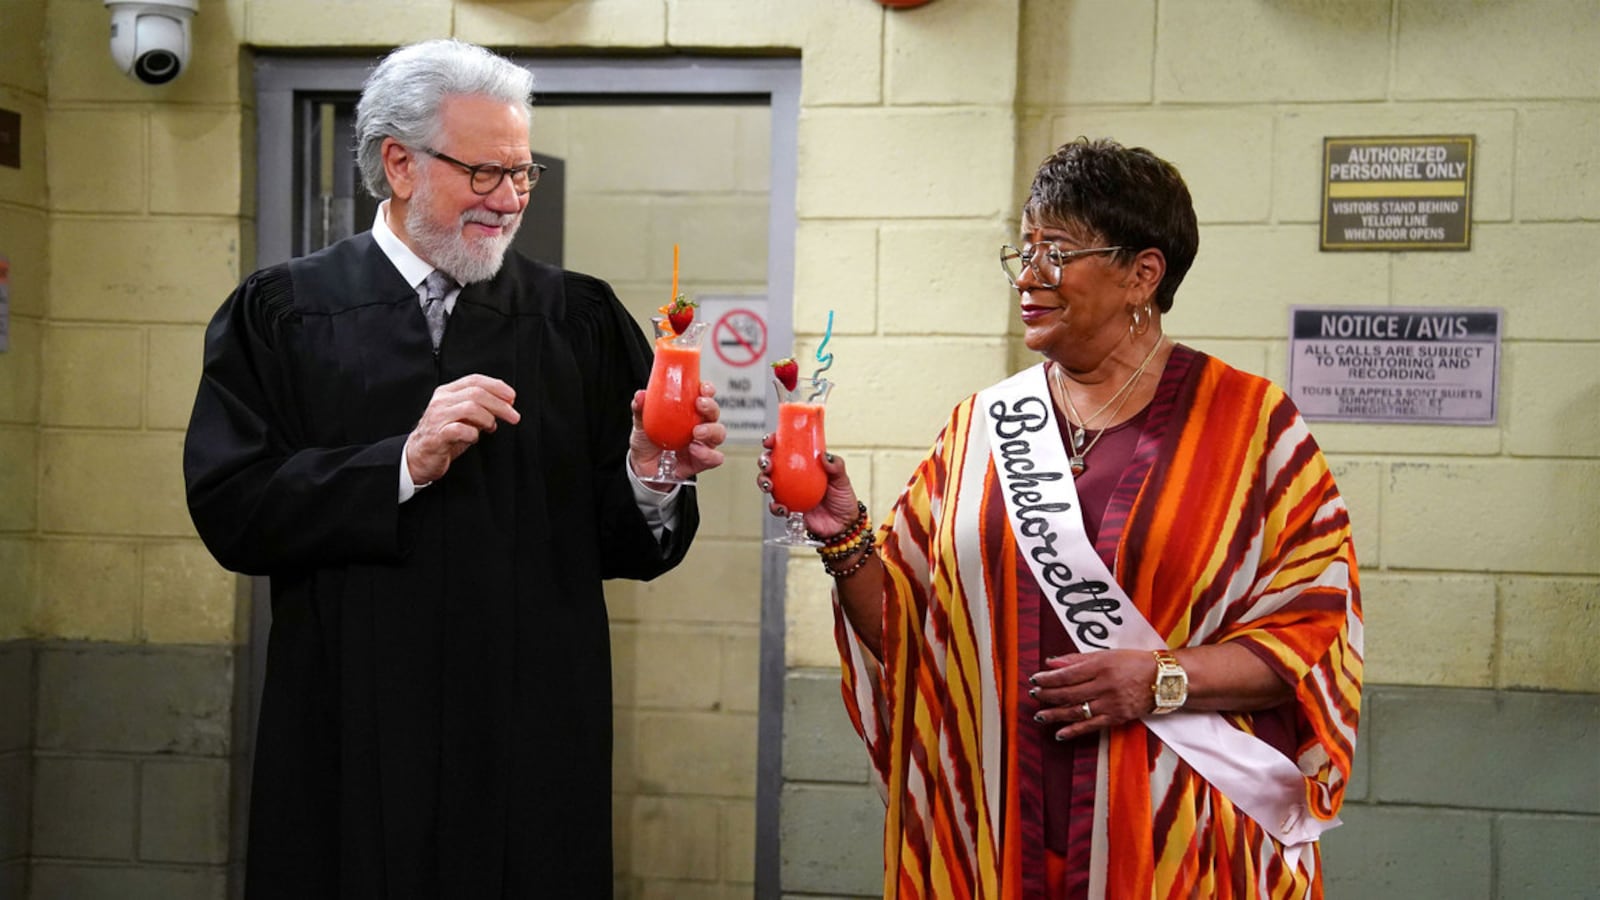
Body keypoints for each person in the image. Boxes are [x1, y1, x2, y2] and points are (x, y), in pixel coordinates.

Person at [184, 39, 726, 898]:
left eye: (522, 174)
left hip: (530, 734)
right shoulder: (284, 312)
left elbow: (628, 544)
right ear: (398, 163)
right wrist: (398, 464)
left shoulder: (575, 318)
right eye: (485, 174)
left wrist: (651, 474)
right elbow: (231, 507)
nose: (509, 200)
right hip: (351, 730)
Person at [759, 138, 1362, 898]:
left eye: (1058, 251)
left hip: (1185, 828)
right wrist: (844, 535)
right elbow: (915, 637)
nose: (1029, 276)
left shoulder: (1252, 425)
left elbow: (1314, 633)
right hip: (998, 829)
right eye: (1025, 249)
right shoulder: (981, 426)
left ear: (1144, 272)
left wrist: (1160, 680)